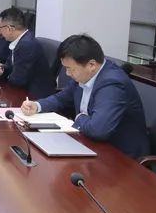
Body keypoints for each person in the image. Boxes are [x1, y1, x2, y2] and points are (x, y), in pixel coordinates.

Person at [21, 35, 149, 158]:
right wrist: (37, 105)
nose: (67, 73)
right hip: (90, 143)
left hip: (120, 156)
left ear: (91, 65)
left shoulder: (112, 84)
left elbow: (98, 130)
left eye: (70, 69)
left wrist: (79, 118)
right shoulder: (84, 75)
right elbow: (61, 98)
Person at [0, 7, 55, 98]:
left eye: (0, 28)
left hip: (34, 95)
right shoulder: (19, 41)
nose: (0, 32)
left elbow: (18, 79)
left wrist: (6, 74)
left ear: (9, 28)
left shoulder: (27, 44)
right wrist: (1, 70)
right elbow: (11, 67)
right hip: (23, 90)